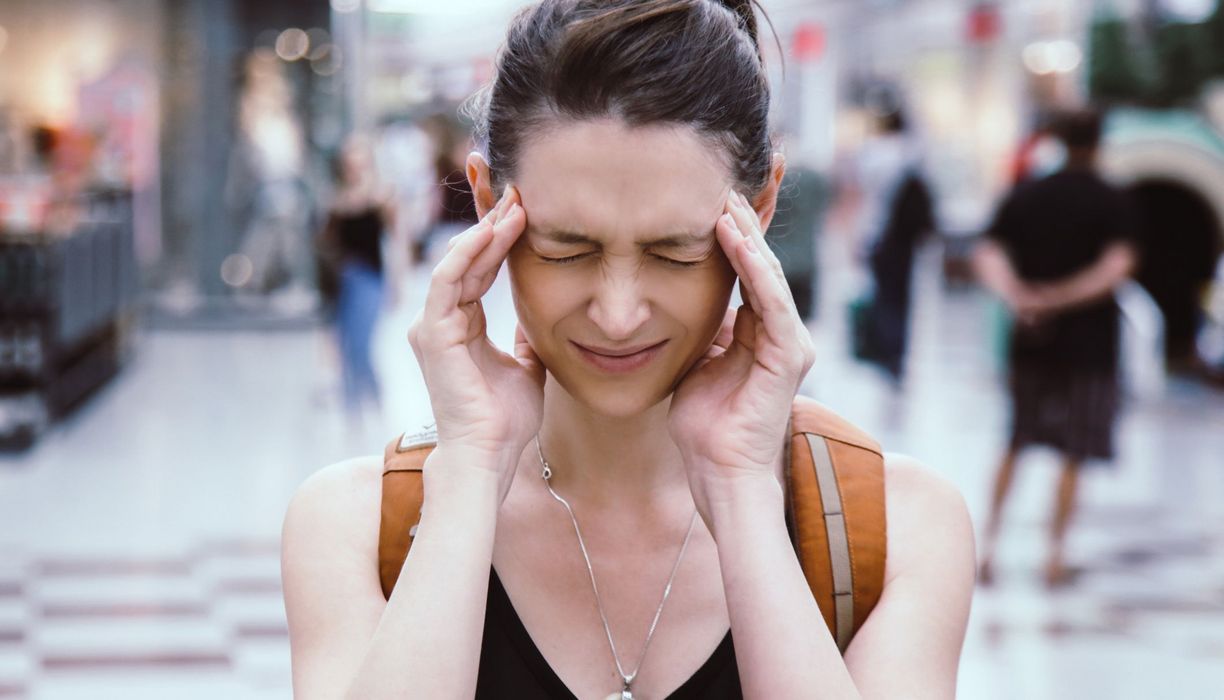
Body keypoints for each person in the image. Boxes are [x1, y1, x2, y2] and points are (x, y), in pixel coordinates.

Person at [282, 2, 974, 698]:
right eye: (567, 249)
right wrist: (469, 472)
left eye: (675, 253)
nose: (617, 315)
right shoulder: (356, 528)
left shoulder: (892, 531)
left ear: (758, 212)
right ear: (491, 205)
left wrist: (739, 490)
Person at [974, 108, 1139, 588]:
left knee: (1016, 438)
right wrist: (1061, 298)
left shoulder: (1027, 194)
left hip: (1030, 340)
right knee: (1074, 450)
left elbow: (988, 253)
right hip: (1089, 346)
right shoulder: (1115, 200)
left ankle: (989, 547)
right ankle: (1054, 555)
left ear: (1059, 141)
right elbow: (1116, 267)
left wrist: (1021, 298)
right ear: (1099, 142)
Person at [849, 106, 934, 383]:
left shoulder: (873, 153)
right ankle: (897, 352)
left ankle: (885, 351)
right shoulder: (912, 153)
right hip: (904, 238)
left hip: (877, 235)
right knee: (902, 296)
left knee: (883, 294)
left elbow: (862, 198)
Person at [317, 134, 397, 424]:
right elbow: (326, 240)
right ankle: (352, 405)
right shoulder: (335, 199)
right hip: (342, 280)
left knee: (363, 344)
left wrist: (396, 285)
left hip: (370, 278)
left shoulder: (381, 195)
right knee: (345, 344)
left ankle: (374, 398)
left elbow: (395, 240)